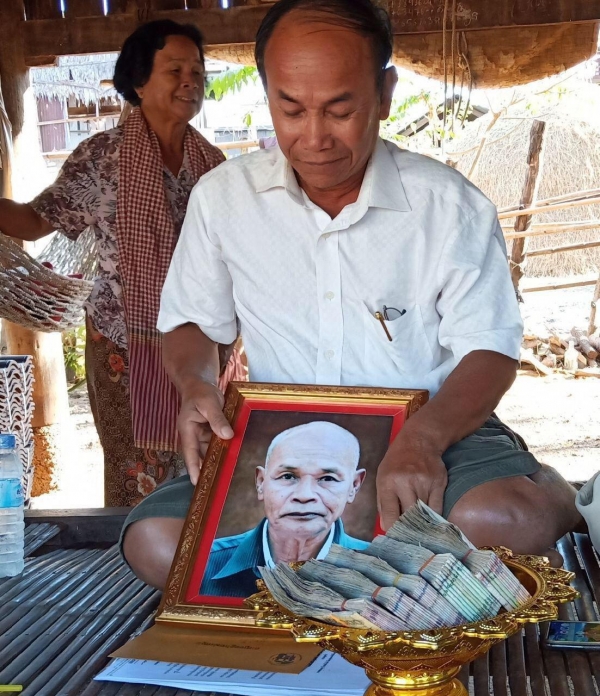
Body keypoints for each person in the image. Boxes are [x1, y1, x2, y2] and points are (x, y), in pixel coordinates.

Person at [122, 0, 581, 589]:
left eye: (340, 110)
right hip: (280, 439)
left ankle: (557, 492)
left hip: (438, 423)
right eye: (291, 109)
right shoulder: (223, 199)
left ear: (385, 94)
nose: (315, 137)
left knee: (501, 520)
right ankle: (361, 588)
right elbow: (191, 322)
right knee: (158, 542)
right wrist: (195, 384)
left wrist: (423, 438)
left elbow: (490, 350)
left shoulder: (448, 205)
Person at [0, 20, 244, 506]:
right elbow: (35, 220)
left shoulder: (214, 165)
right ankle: (137, 552)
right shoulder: (102, 157)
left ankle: (199, 552)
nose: (190, 82)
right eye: (175, 70)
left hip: (208, 343)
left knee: (212, 461)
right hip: (125, 349)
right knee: (137, 474)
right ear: (138, 81)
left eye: (197, 72)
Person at [200, 421, 368, 597]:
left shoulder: (382, 571)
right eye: (288, 476)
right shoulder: (201, 563)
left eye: (327, 478)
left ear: (354, 486)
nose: (304, 495)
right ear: (261, 483)